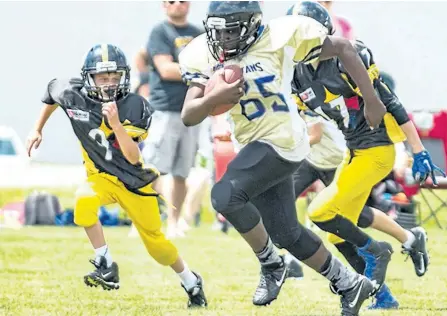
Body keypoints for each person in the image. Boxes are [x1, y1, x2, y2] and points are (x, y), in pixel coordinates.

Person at [179, 1, 390, 314]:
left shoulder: (281, 36)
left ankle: (272, 264)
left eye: (231, 32)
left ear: (251, 25)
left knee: (224, 196)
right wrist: (213, 98)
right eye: (217, 32)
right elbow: (188, 115)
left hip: (283, 140)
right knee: (286, 233)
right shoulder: (203, 54)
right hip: (252, 143)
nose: (222, 40)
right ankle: (349, 284)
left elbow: (346, 48)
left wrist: (371, 100)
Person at [26, 44, 207, 308]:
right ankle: (105, 263)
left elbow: (133, 156)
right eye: (103, 77)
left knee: (157, 247)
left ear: (124, 77)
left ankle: (191, 281)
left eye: (114, 77)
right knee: (83, 201)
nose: (109, 84)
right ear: (89, 77)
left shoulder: (134, 106)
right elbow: (52, 94)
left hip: (133, 182)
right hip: (100, 176)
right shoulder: (72, 92)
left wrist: (116, 126)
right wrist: (36, 129)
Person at [289, 0, 444, 306]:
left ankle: (378, 251)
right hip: (353, 152)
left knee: (320, 212)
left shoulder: (347, 60)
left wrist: (418, 151)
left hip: (377, 151)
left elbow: (392, 103)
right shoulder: (298, 74)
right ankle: (387, 286)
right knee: (336, 230)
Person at [142, 0, 203, 238]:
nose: (178, 4)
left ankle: (174, 223)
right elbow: (166, 69)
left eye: (183, 1)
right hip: (165, 110)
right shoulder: (160, 32)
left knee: (182, 172)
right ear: (163, 5)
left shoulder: (199, 34)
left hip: (192, 110)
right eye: (172, 1)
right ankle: (145, 220)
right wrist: (199, 71)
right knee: (155, 169)